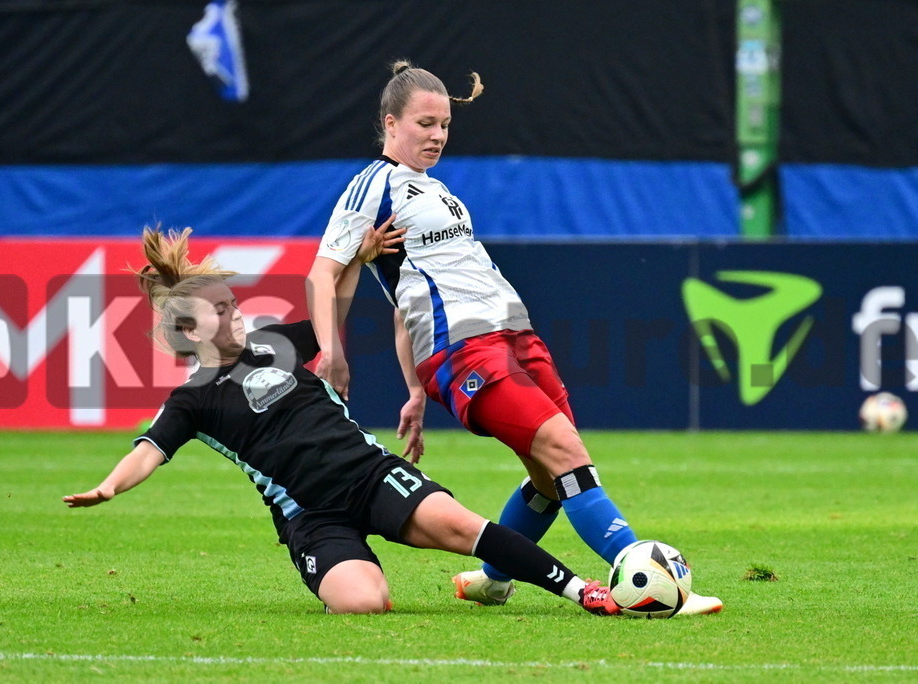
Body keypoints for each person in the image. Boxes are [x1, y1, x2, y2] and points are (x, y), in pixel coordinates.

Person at [306, 61, 722, 615]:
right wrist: (330, 351)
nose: (437, 136)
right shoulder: (371, 187)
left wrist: (411, 391)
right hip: (465, 351)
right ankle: (648, 581)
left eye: (445, 126)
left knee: (552, 477)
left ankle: (492, 579)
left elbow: (404, 304)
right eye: (425, 124)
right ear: (390, 123)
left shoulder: (435, 191)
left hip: (515, 337)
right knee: (565, 450)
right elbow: (321, 273)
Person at [63, 225, 624, 616]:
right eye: (221, 310)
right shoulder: (193, 399)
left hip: (371, 475)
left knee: (465, 529)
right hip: (311, 515)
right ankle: (353, 566)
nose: (235, 314)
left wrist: (358, 256)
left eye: (233, 305)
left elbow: (334, 312)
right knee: (365, 603)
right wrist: (109, 486)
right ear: (190, 332)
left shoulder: (275, 344)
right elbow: (148, 450)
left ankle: (581, 590)